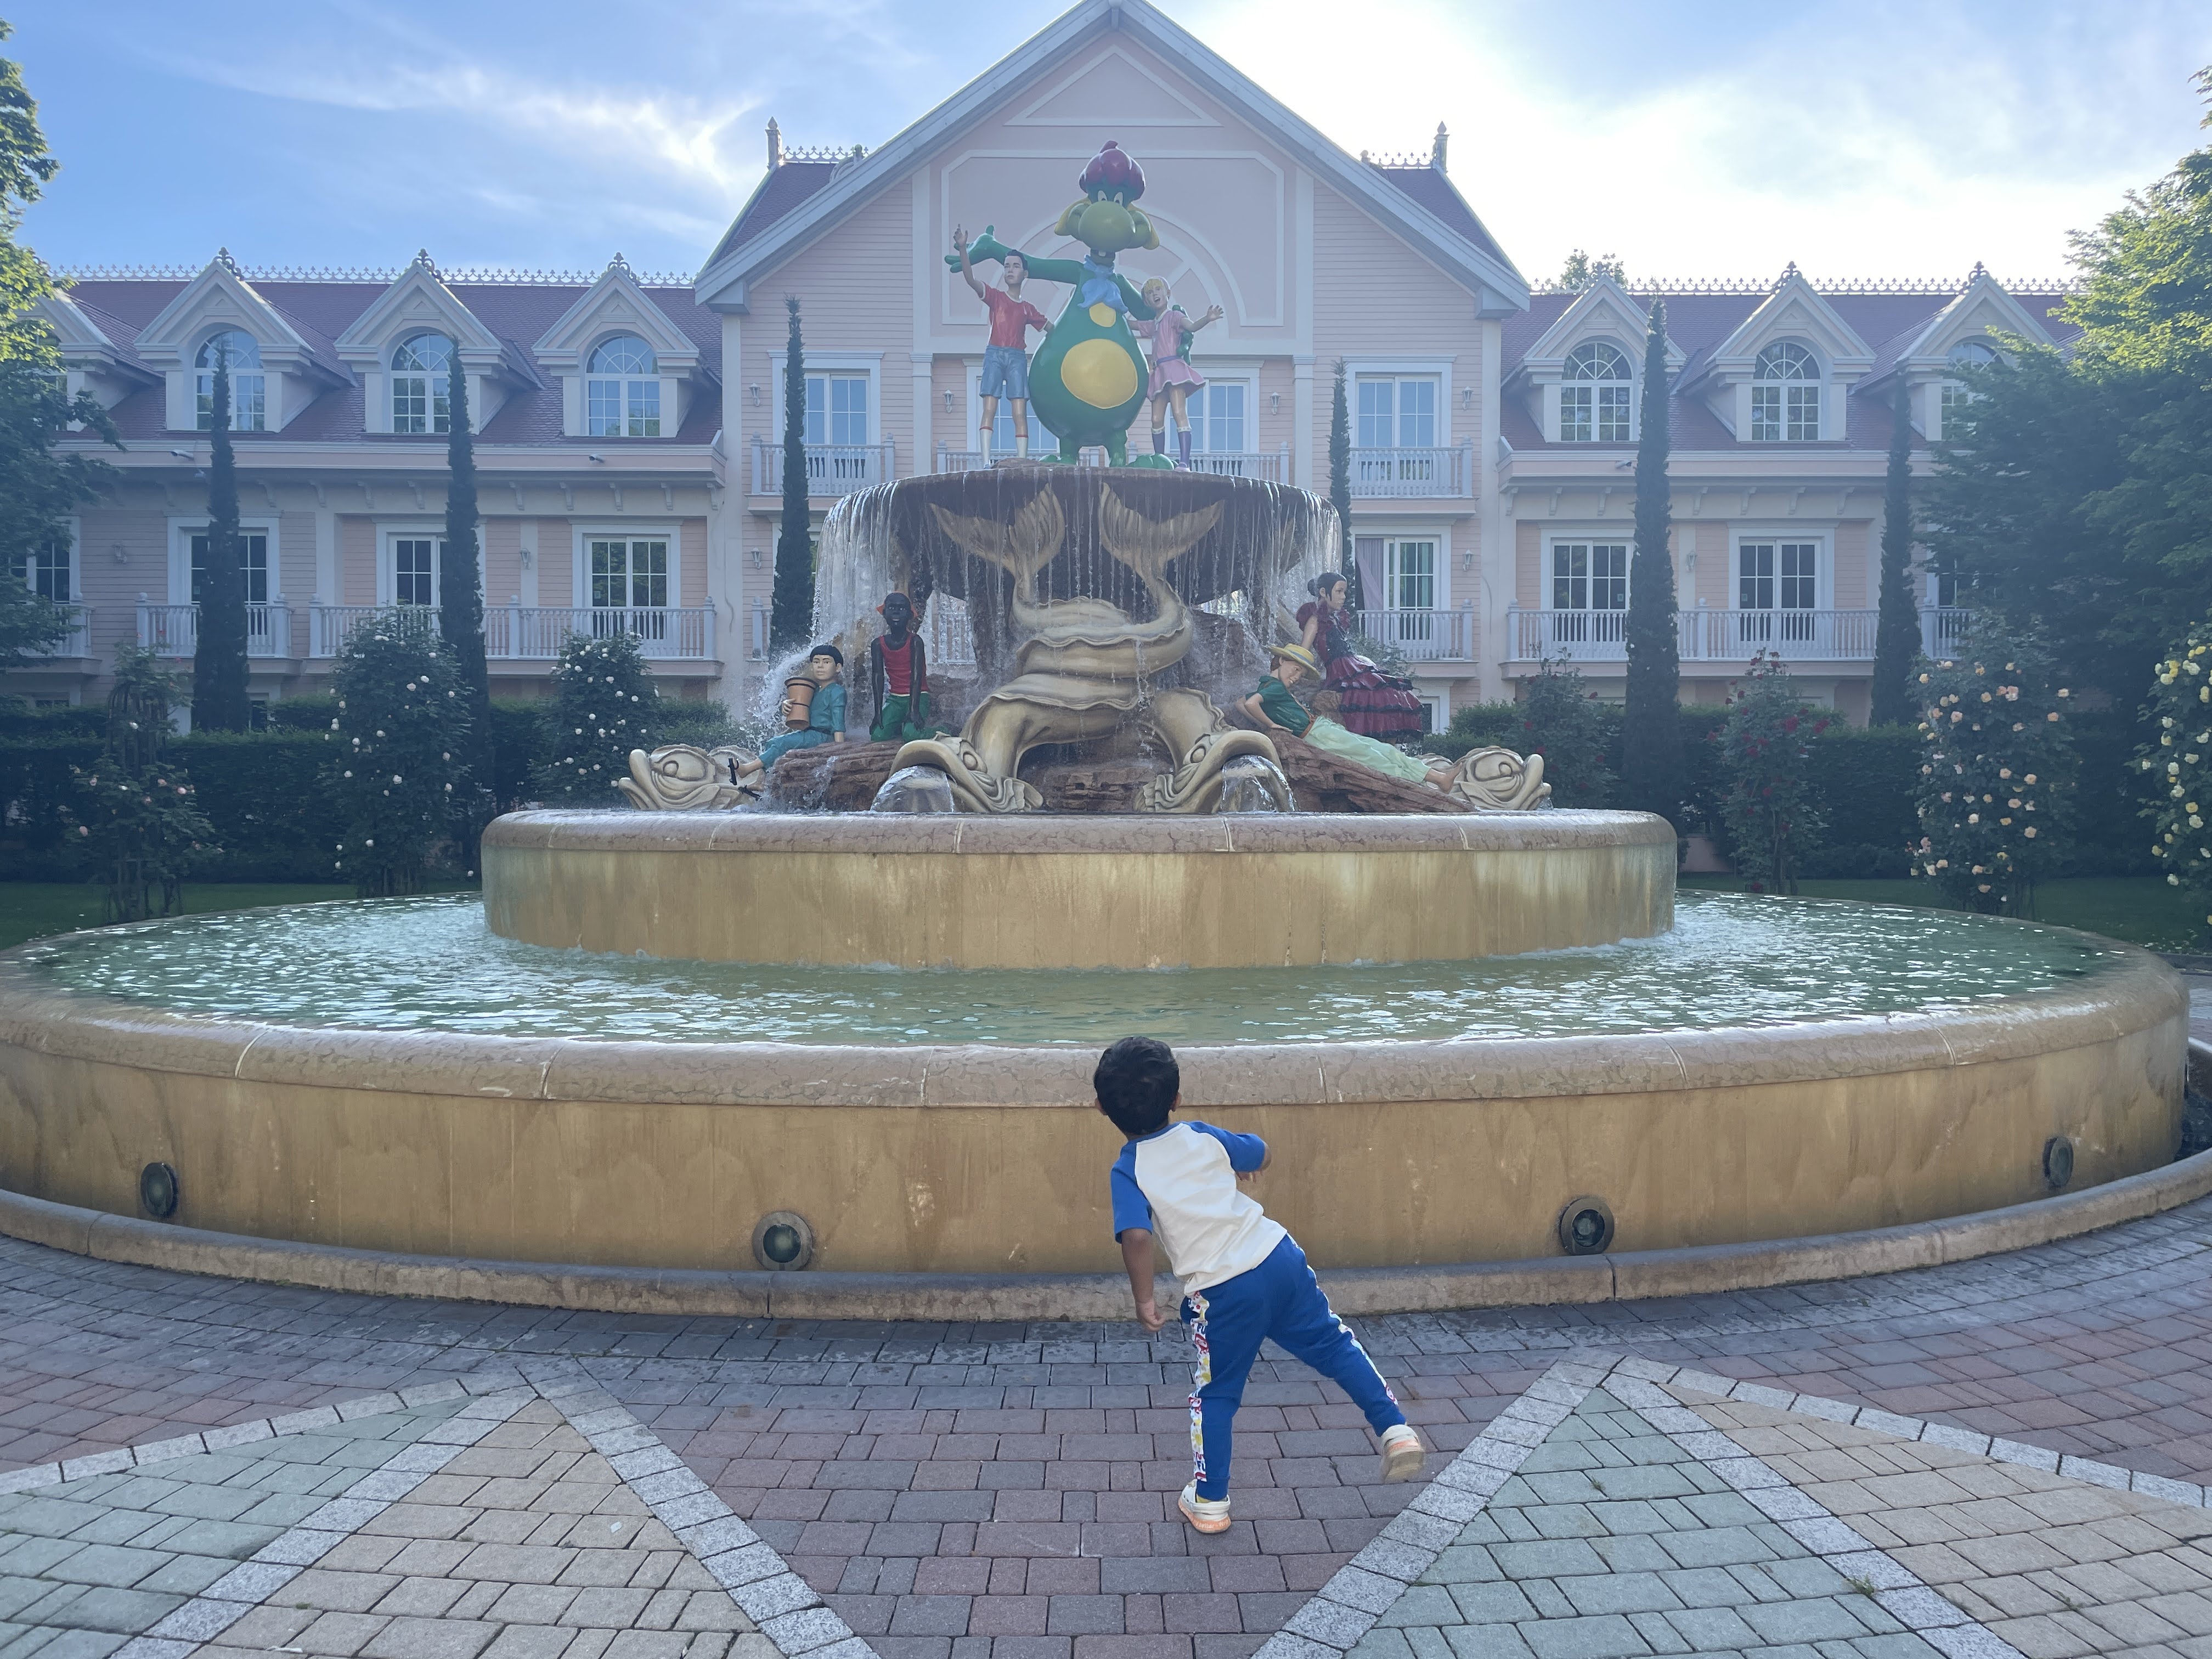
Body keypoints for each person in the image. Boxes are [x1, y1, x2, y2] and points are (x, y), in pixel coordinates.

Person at [1097, 1035, 1424, 1535]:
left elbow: (1137, 1235)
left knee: (1218, 1395)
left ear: (1101, 1108)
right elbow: (1261, 1153)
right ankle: (1395, 1429)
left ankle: (1209, 1502)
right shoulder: (1201, 1136)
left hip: (1225, 1292)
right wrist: (1235, 1163)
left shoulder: (1129, 1169)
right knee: (1336, 1347)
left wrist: (1144, 1297)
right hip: (1279, 1258)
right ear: (1177, 1099)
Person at [1242, 644, 1460, 791]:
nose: (1297, 677)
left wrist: (1264, 723)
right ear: (1281, 660)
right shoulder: (1273, 688)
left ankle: (1438, 778)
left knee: (1381, 750)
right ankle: (1429, 781)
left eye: (1301, 674)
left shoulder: (1272, 686)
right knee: (1372, 756)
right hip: (1318, 735)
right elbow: (1251, 704)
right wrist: (1272, 725)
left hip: (1321, 728)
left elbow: (1242, 703)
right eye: (1295, 669)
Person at [955, 224, 1049, 460]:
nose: (1010, 270)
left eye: (1016, 266)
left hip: (1017, 356)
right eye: (1007, 266)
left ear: (1025, 273)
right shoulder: (996, 298)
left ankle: (1022, 460)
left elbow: (1051, 328)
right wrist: (963, 249)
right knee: (990, 407)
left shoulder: (1027, 308)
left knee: (1020, 412)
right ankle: (986, 461)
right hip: (995, 354)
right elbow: (970, 278)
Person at [1297, 572, 1424, 738]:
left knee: (1394, 692)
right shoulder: (1315, 620)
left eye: (1344, 592)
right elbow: (1303, 651)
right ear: (1323, 592)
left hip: (1354, 666)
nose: (1343, 597)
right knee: (1377, 695)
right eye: (1339, 592)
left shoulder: (1335, 618)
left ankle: (1386, 747)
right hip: (1342, 671)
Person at [1130, 276, 1222, 469]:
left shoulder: (1174, 317)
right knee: (1156, 419)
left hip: (1173, 368)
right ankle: (1160, 460)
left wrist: (1207, 318)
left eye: (1158, 290)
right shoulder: (1153, 324)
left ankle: (1185, 461)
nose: (1155, 294)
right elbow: (1132, 325)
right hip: (1158, 372)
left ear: (1167, 293)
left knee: (1179, 412)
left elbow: (1191, 326)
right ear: (1147, 300)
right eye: (1150, 293)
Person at [755, 645, 847, 770]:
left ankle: (747, 770)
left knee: (781, 743)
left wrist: (839, 750)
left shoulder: (837, 691)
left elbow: (838, 722)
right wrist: (787, 706)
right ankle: (762, 779)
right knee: (772, 742)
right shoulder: (814, 691)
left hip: (822, 737)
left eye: (826, 662)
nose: (820, 666)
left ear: (838, 667)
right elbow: (802, 713)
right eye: (816, 662)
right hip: (809, 734)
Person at [869, 591, 941, 743]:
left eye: (902, 609)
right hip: (895, 699)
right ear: (884, 613)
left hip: (919, 697)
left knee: (911, 735)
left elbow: (917, 676)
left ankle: (945, 730)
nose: (896, 612)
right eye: (892, 608)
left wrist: (914, 710)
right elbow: (877, 677)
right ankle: (898, 725)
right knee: (878, 735)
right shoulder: (878, 644)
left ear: (910, 615)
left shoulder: (915, 641)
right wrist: (878, 713)